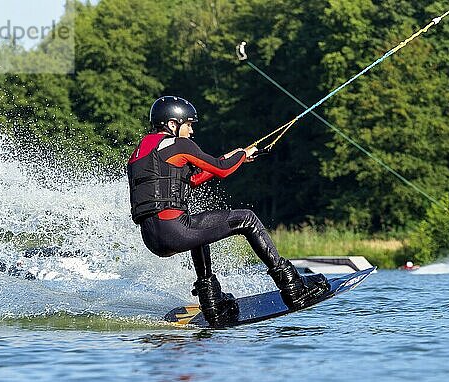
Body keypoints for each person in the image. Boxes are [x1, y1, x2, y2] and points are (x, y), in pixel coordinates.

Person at [127, 96, 329, 327]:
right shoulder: (178, 145)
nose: (191, 131)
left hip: (153, 239)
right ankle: (293, 287)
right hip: (175, 231)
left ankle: (211, 301)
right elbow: (222, 169)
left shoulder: (141, 153)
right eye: (189, 124)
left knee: (197, 226)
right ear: (173, 124)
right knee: (247, 219)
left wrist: (236, 158)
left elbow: (191, 180)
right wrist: (241, 155)